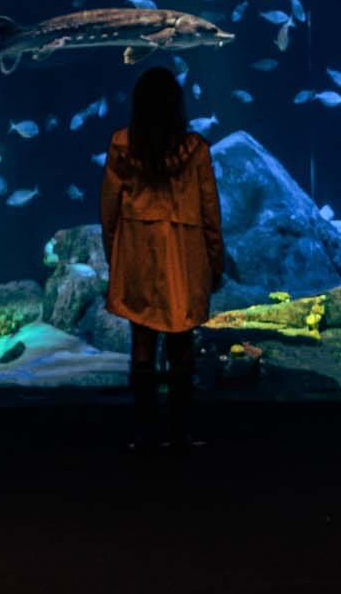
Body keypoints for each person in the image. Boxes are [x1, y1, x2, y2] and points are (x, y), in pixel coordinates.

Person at [99, 66, 224, 457]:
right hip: (184, 255)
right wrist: (215, 262)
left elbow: (109, 210)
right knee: (181, 341)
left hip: (137, 252)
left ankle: (145, 434)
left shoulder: (122, 145)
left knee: (141, 340)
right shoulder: (197, 150)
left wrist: (113, 256)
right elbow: (209, 213)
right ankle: (179, 434)